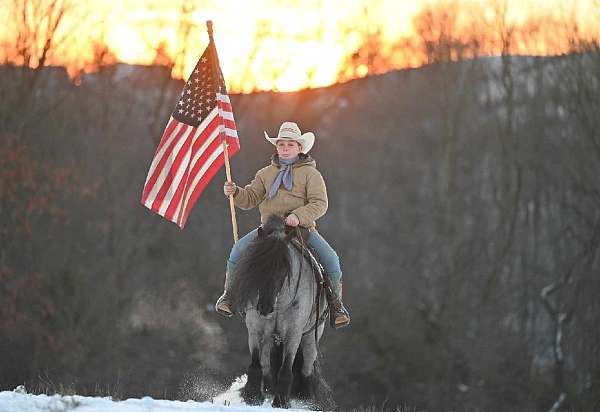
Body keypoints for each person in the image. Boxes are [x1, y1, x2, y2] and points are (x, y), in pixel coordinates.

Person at [215, 121, 350, 328]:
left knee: (331, 258)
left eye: (290, 144)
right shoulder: (265, 173)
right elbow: (250, 199)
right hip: (270, 228)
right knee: (237, 250)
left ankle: (336, 306)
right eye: (281, 145)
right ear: (276, 147)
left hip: (300, 229)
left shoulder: (311, 174)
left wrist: (298, 215)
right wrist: (236, 193)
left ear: (299, 147)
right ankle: (230, 296)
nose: (285, 149)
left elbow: (320, 204)